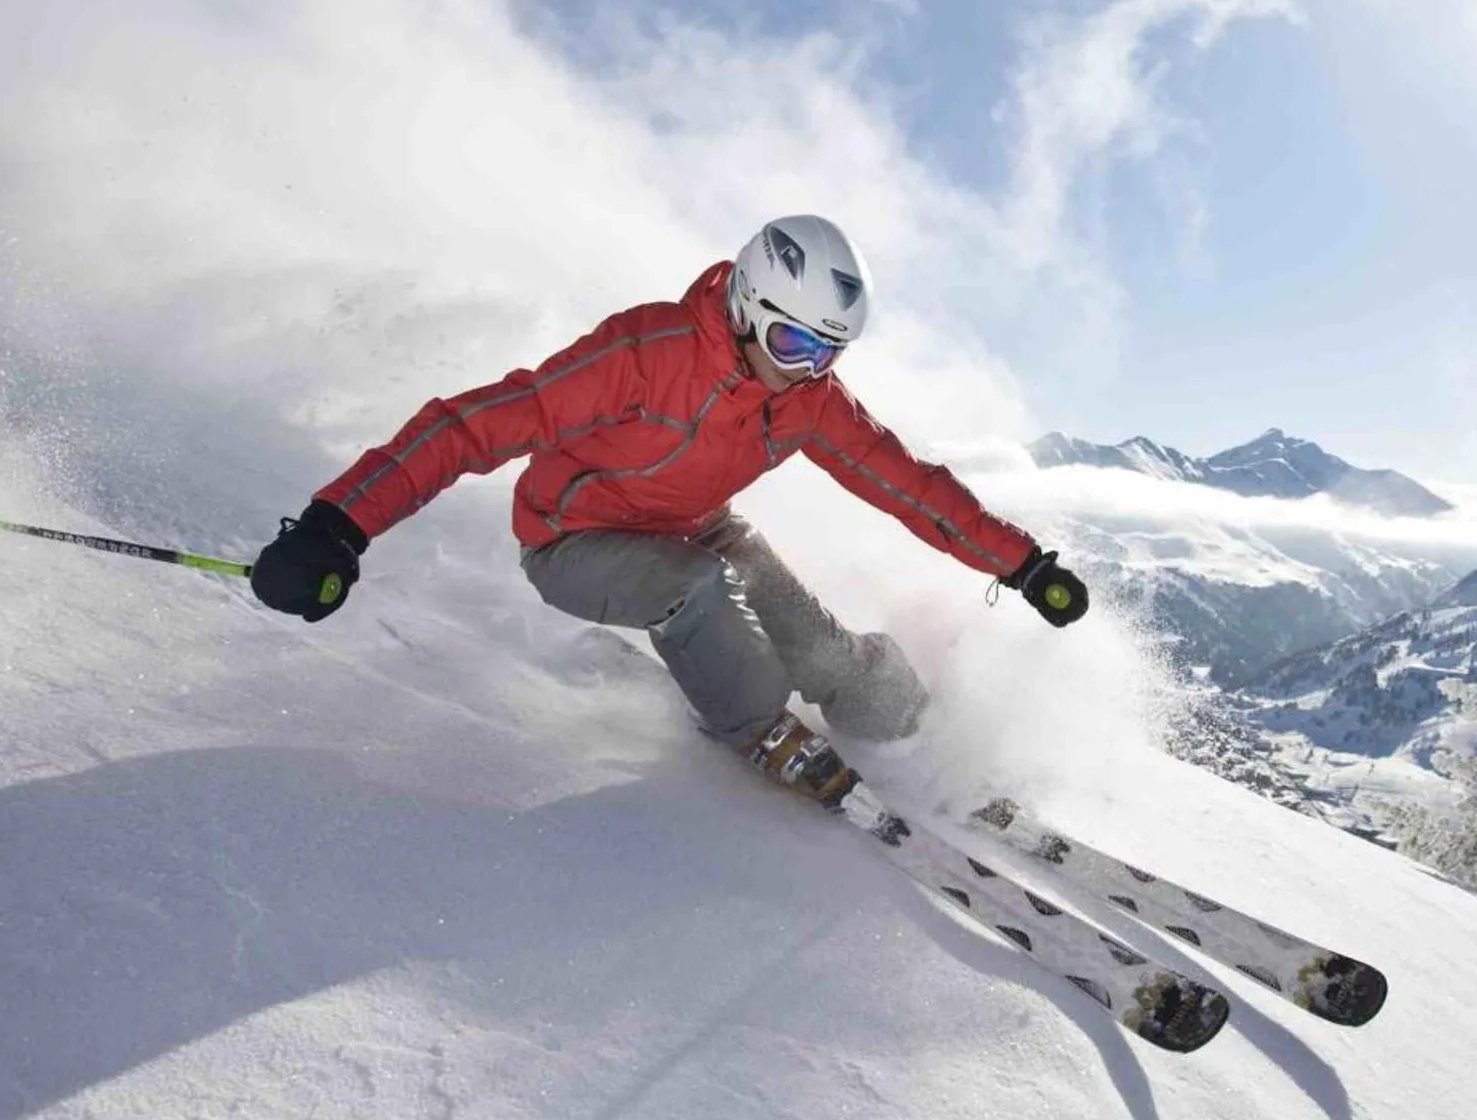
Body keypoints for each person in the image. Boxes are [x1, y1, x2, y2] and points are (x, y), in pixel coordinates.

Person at [250, 215, 1088, 804]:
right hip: (573, 540)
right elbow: (474, 425)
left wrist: (1021, 563)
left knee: (813, 640)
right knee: (700, 585)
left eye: (828, 353)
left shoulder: (810, 399)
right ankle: (758, 729)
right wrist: (338, 524)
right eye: (796, 344)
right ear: (751, 311)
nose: (807, 370)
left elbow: (905, 483)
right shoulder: (646, 353)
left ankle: (901, 717)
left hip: (695, 526)